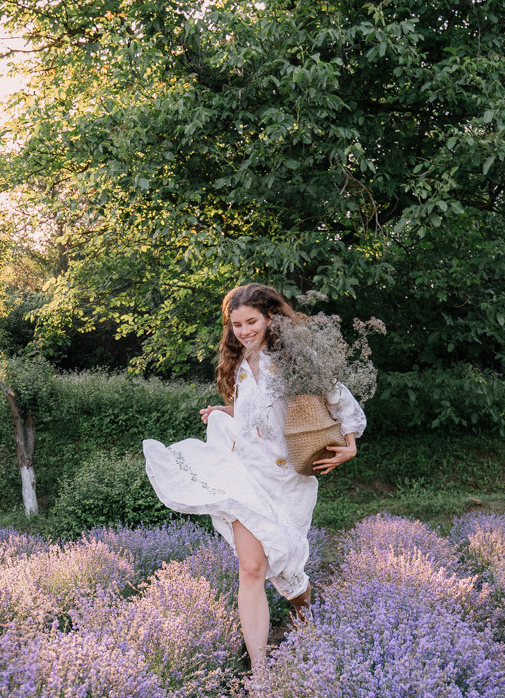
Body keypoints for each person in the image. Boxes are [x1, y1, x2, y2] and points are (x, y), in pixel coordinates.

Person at [142, 283, 367, 671]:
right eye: (236, 325)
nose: (244, 331)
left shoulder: (296, 358)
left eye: (251, 322)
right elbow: (255, 419)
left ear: (270, 318)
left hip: (289, 479)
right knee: (251, 569)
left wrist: (350, 443)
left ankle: (303, 608)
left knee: (286, 568)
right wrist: (225, 413)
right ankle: (260, 672)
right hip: (246, 473)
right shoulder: (241, 366)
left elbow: (339, 397)